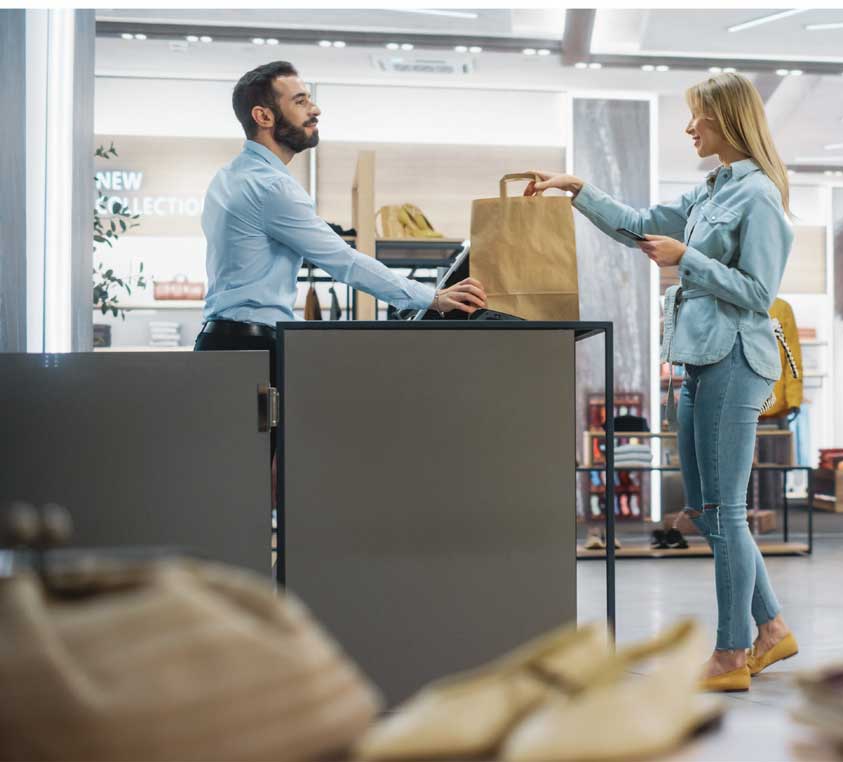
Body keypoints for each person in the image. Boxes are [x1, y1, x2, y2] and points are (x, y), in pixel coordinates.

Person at [524, 72, 796, 692]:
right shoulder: (711, 191)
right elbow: (640, 224)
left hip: (734, 359)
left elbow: (760, 295)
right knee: (702, 509)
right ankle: (772, 626)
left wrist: (687, 259)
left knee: (725, 512)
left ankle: (731, 655)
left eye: (697, 116)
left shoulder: (758, 197)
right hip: (700, 361)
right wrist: (577, 189)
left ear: (726, 120)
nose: (689, 127)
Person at [195, 60, 487, 377]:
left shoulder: (227, 177)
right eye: (300, 101)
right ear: (263, 116)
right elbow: (343, 261)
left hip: (217, 342)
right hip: (249, 348)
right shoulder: (271, 186)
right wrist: (431, 298)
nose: (315, 109)